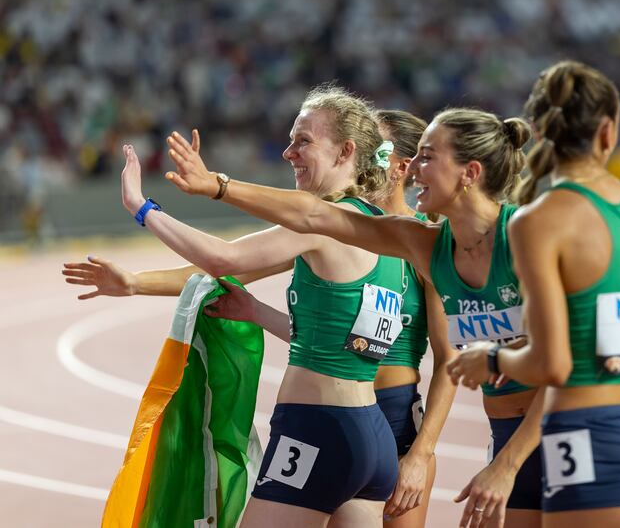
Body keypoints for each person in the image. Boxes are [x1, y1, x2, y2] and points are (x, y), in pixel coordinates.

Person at [64, 105, 456, 528]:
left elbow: (222, 257)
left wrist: (144, 207)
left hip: (332, 426)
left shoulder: (355, 229)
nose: (289, 153)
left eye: (303, 141)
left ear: (353, 153)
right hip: (369, 431)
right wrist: (141, 283)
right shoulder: (392, 237)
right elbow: (344, 337)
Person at [161, 106, 546, 528]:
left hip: (576, 425)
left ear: (470, 173)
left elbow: (568, 367)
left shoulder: (529, 240)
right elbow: (313, 217)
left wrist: (489, 452)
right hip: (500, 434)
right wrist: (217, 185)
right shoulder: (423, 243)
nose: (410, 167)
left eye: (427, 156)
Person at [446, 61, 620, 528]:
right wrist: (608, 356)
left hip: (587, 444)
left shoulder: (538, 221)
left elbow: (554, 365)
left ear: (541, 132)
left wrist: (494, 360)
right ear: (608, 133)